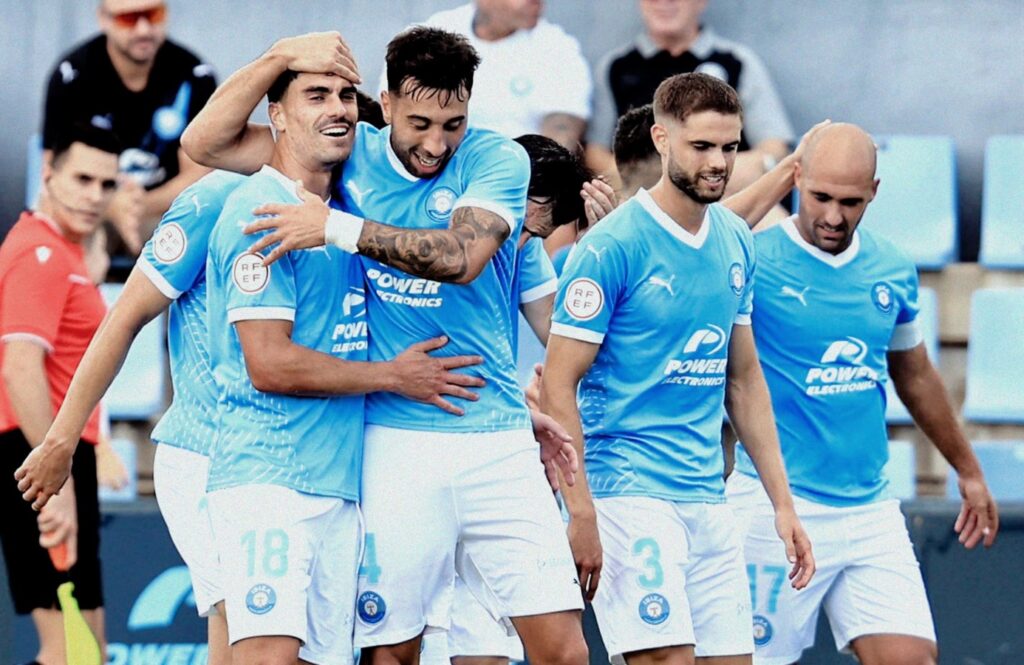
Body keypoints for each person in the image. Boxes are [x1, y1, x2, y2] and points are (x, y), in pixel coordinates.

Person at [182, 27, 589, 665]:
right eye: (420, 122)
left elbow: (462, 258)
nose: (435, 144)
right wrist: (281, 56)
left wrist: (335, 227)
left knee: (563, 649)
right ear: (387, 102)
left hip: (496, 442)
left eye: (453, 123)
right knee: (390, 652)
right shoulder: (351, 153)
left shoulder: (495, 160)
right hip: (394, 444)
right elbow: (204, 142)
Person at [541, 73, 814, 665]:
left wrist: (782, 504)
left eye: (730, 147)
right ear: (662, 140)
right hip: (629, 493)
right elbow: (559, 384)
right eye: (702, 147)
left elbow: (743, 380)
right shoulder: (611, 246)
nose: (719, 163)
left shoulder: (737, 240)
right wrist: (580, 509)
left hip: (708, 498)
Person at [726, 123, 999, 665]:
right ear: (797, 178)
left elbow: (915, 374)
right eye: (820, 197)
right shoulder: (752, 259)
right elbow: (687, 244)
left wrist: (968, 470)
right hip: (773, 509)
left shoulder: (892, 268)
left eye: (850, 201)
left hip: (869, 508)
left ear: (874, 191)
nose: (833, 216)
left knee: (911, 659)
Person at [0, 123, 121, 665]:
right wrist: (60, 477)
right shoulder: (39, 255)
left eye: (107, 184)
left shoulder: (63, 253)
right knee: (70, 654)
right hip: (39, 464)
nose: (95, 195)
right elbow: (20, 367)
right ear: (47, 172)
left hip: (58, 457)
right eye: (82, 179)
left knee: (88, 653)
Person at [42, 0, 216, 265]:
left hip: (162, 209)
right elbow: (54, 173)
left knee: (198, 235)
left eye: (154, 14)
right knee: (54, 227)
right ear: (103, 18)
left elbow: (200, 177)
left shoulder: (193, 75)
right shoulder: (74, 76)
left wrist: (139, 205)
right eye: (129, 19)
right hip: (92, 205)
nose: (144, 29)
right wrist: (110, 205)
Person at [589, 0, 794, 192]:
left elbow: (775, 146)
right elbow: (595, 152)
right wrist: (647, 181)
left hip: (722, 198)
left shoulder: (736, 62)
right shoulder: (615, 67)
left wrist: (730, 168)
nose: (664, 2)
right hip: (642, 199)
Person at [408, 0, 592, 153]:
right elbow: (401, 118)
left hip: (524, 178)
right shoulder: (432, 37)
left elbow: (561, 137)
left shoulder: (559, 48)